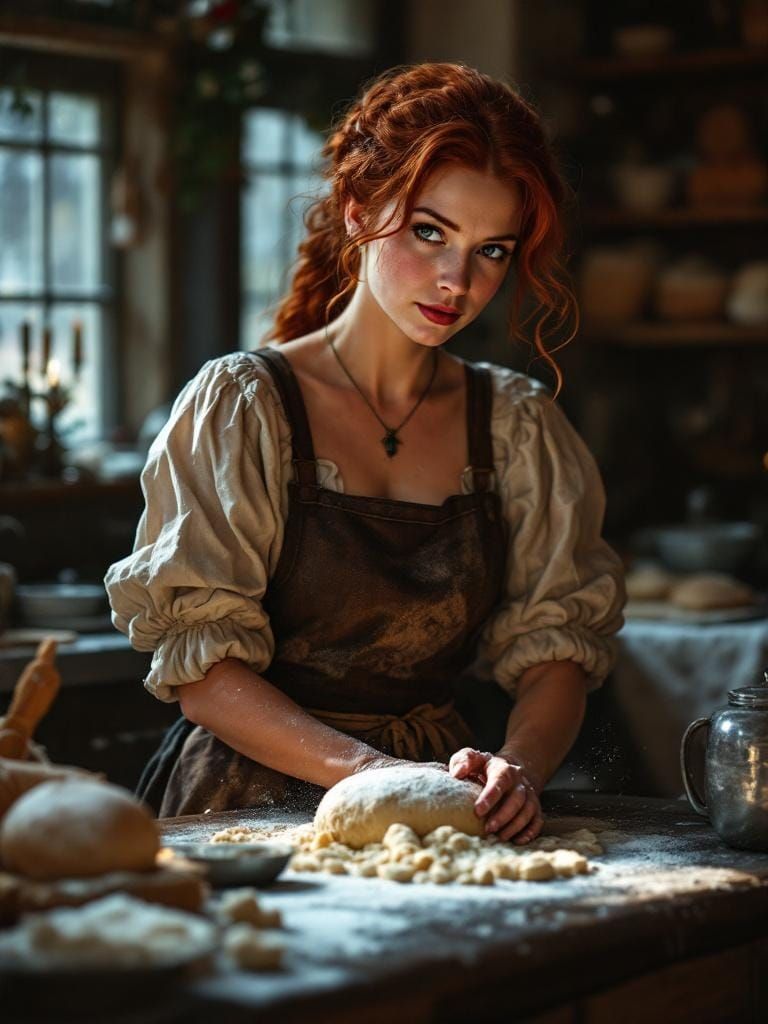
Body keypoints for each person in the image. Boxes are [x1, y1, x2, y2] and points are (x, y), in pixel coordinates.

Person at [105, 62, 625, 842]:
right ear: (356, 212)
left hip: (445, 803)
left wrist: (519, 767)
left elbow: (557, 651)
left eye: (491, 251)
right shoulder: (247, 406)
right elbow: (204, 674)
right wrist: (375, 778)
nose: (456, 280)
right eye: (429, 233)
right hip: (245, 807)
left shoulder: (516, 427)